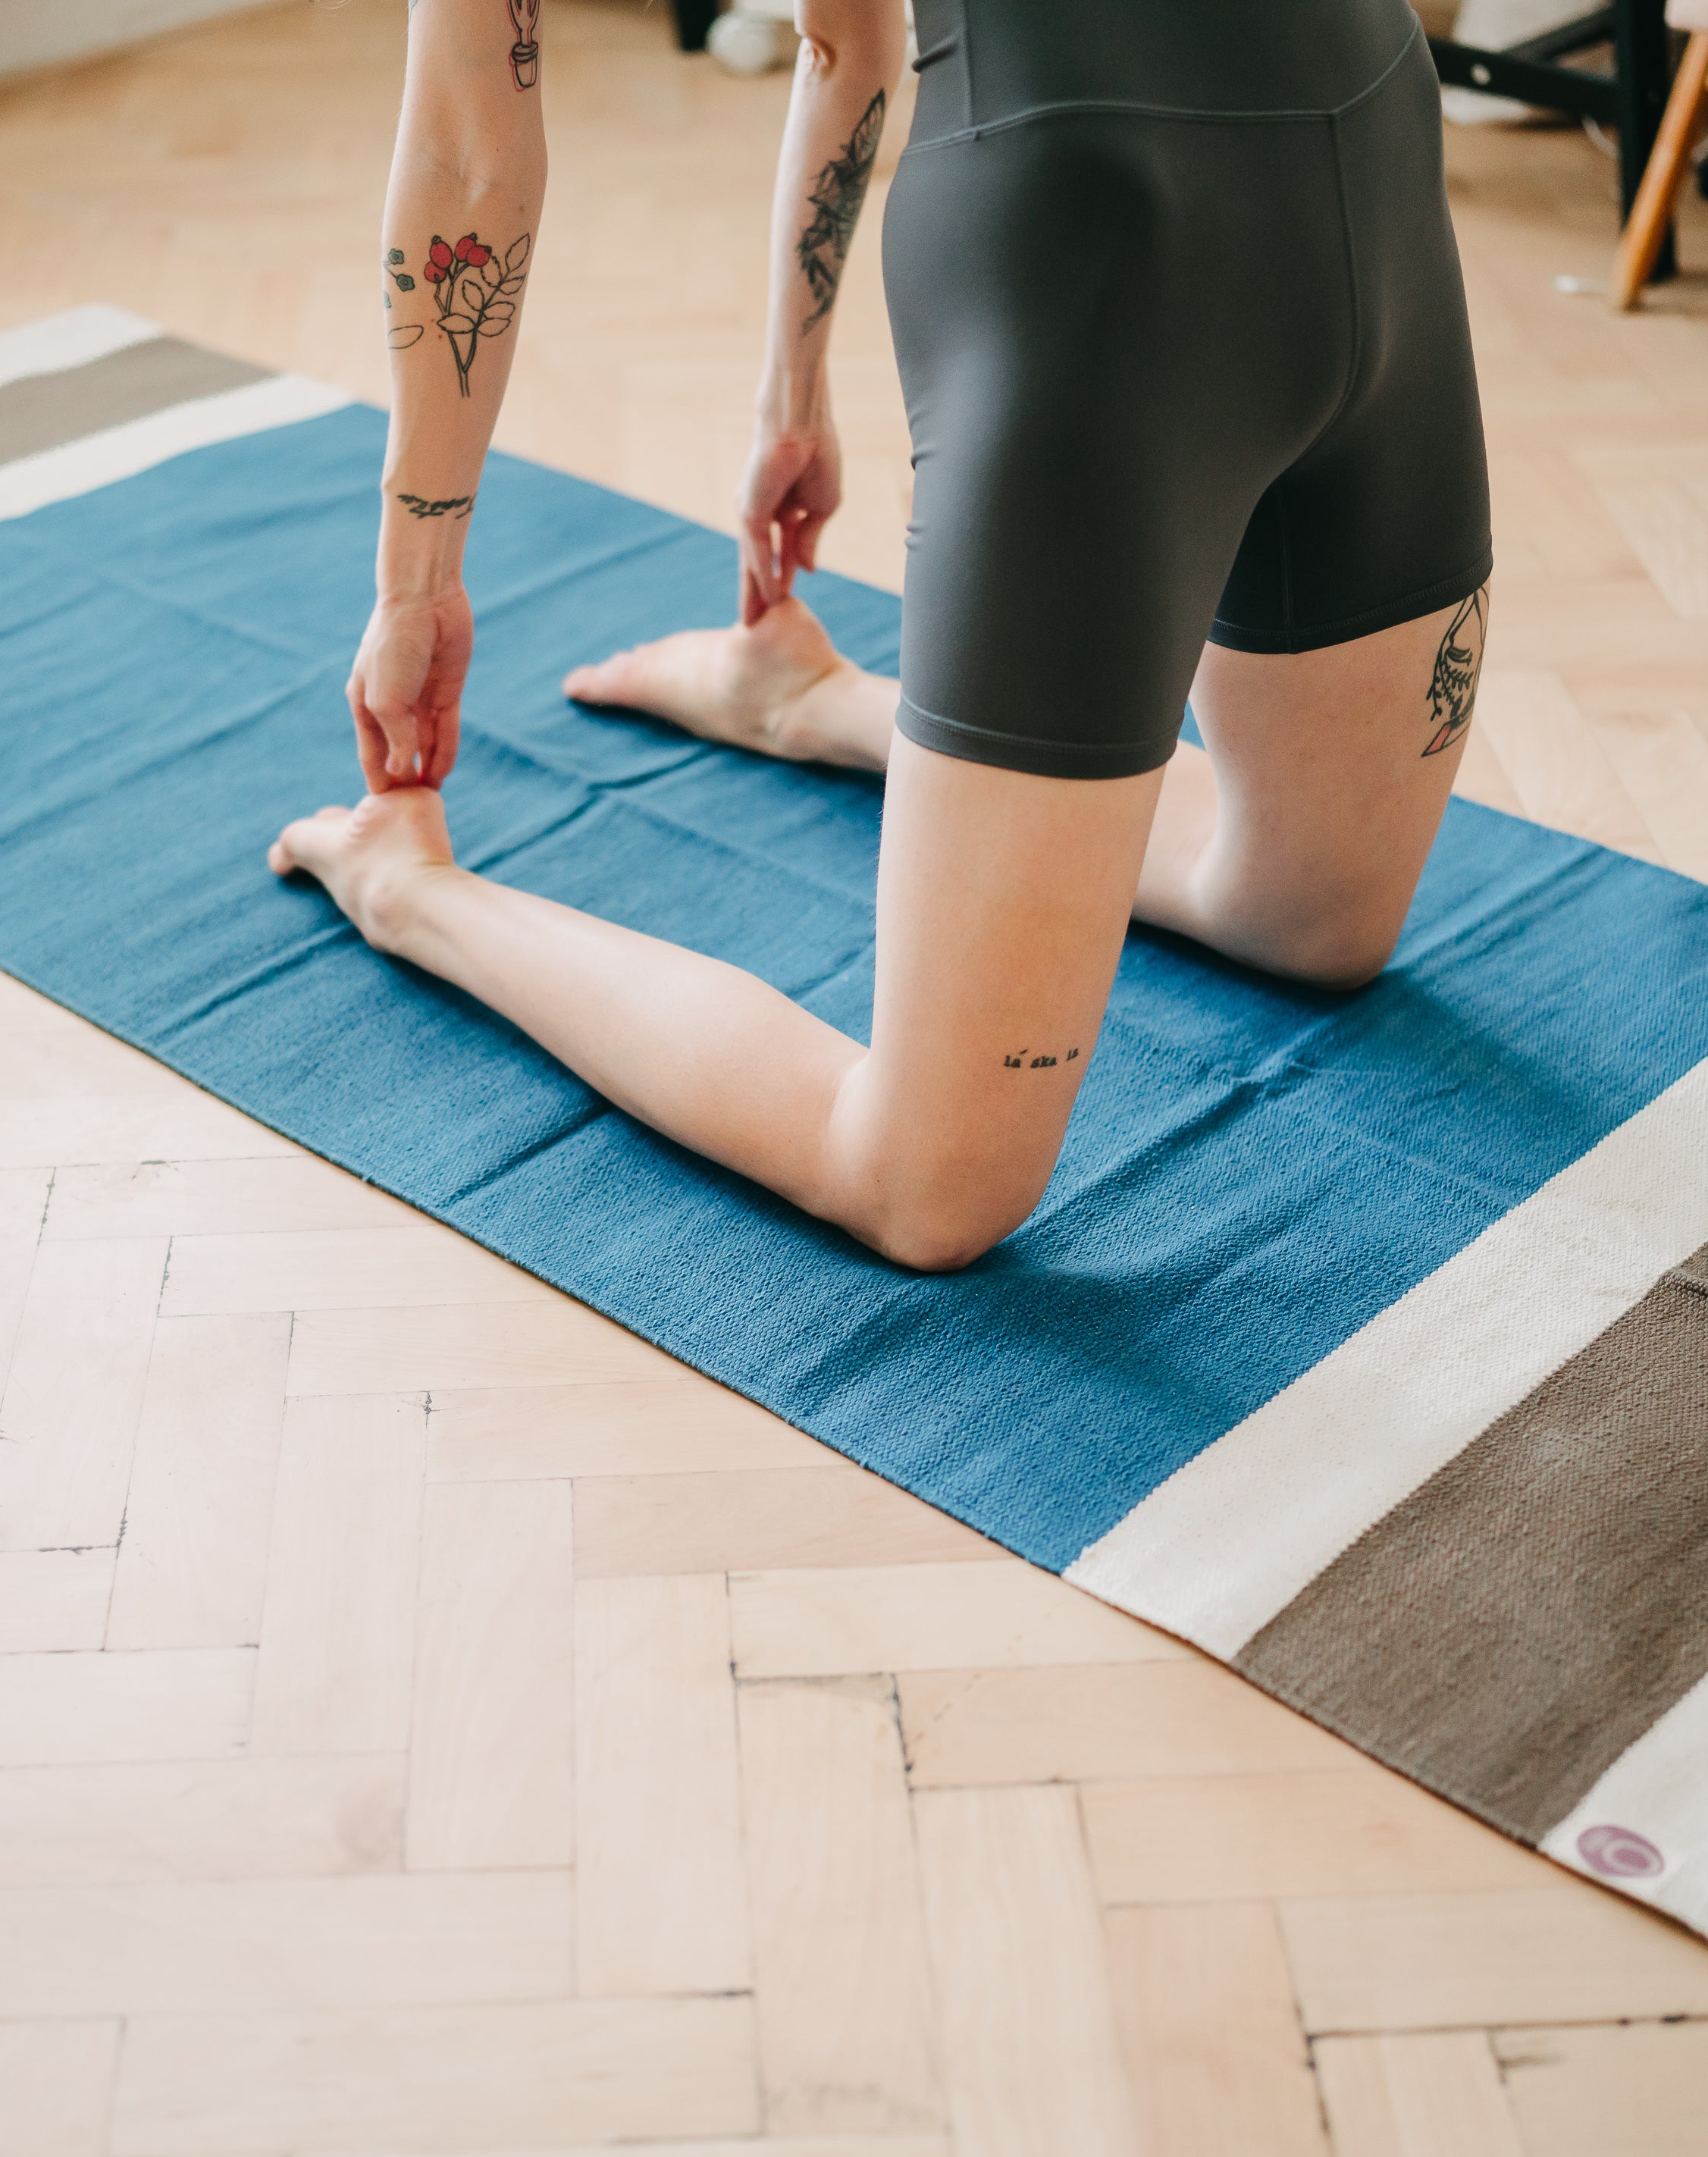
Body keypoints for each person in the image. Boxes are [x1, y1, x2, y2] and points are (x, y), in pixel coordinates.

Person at [271, 0, 1495, 1271]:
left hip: (1375, 149)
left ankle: (810, 699)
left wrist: (788, 394)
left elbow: (826, 40)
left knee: (1314, 918)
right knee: (927, 1186)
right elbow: (798, 46)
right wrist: (417, 583)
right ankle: (416, 892)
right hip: (1098, 259)